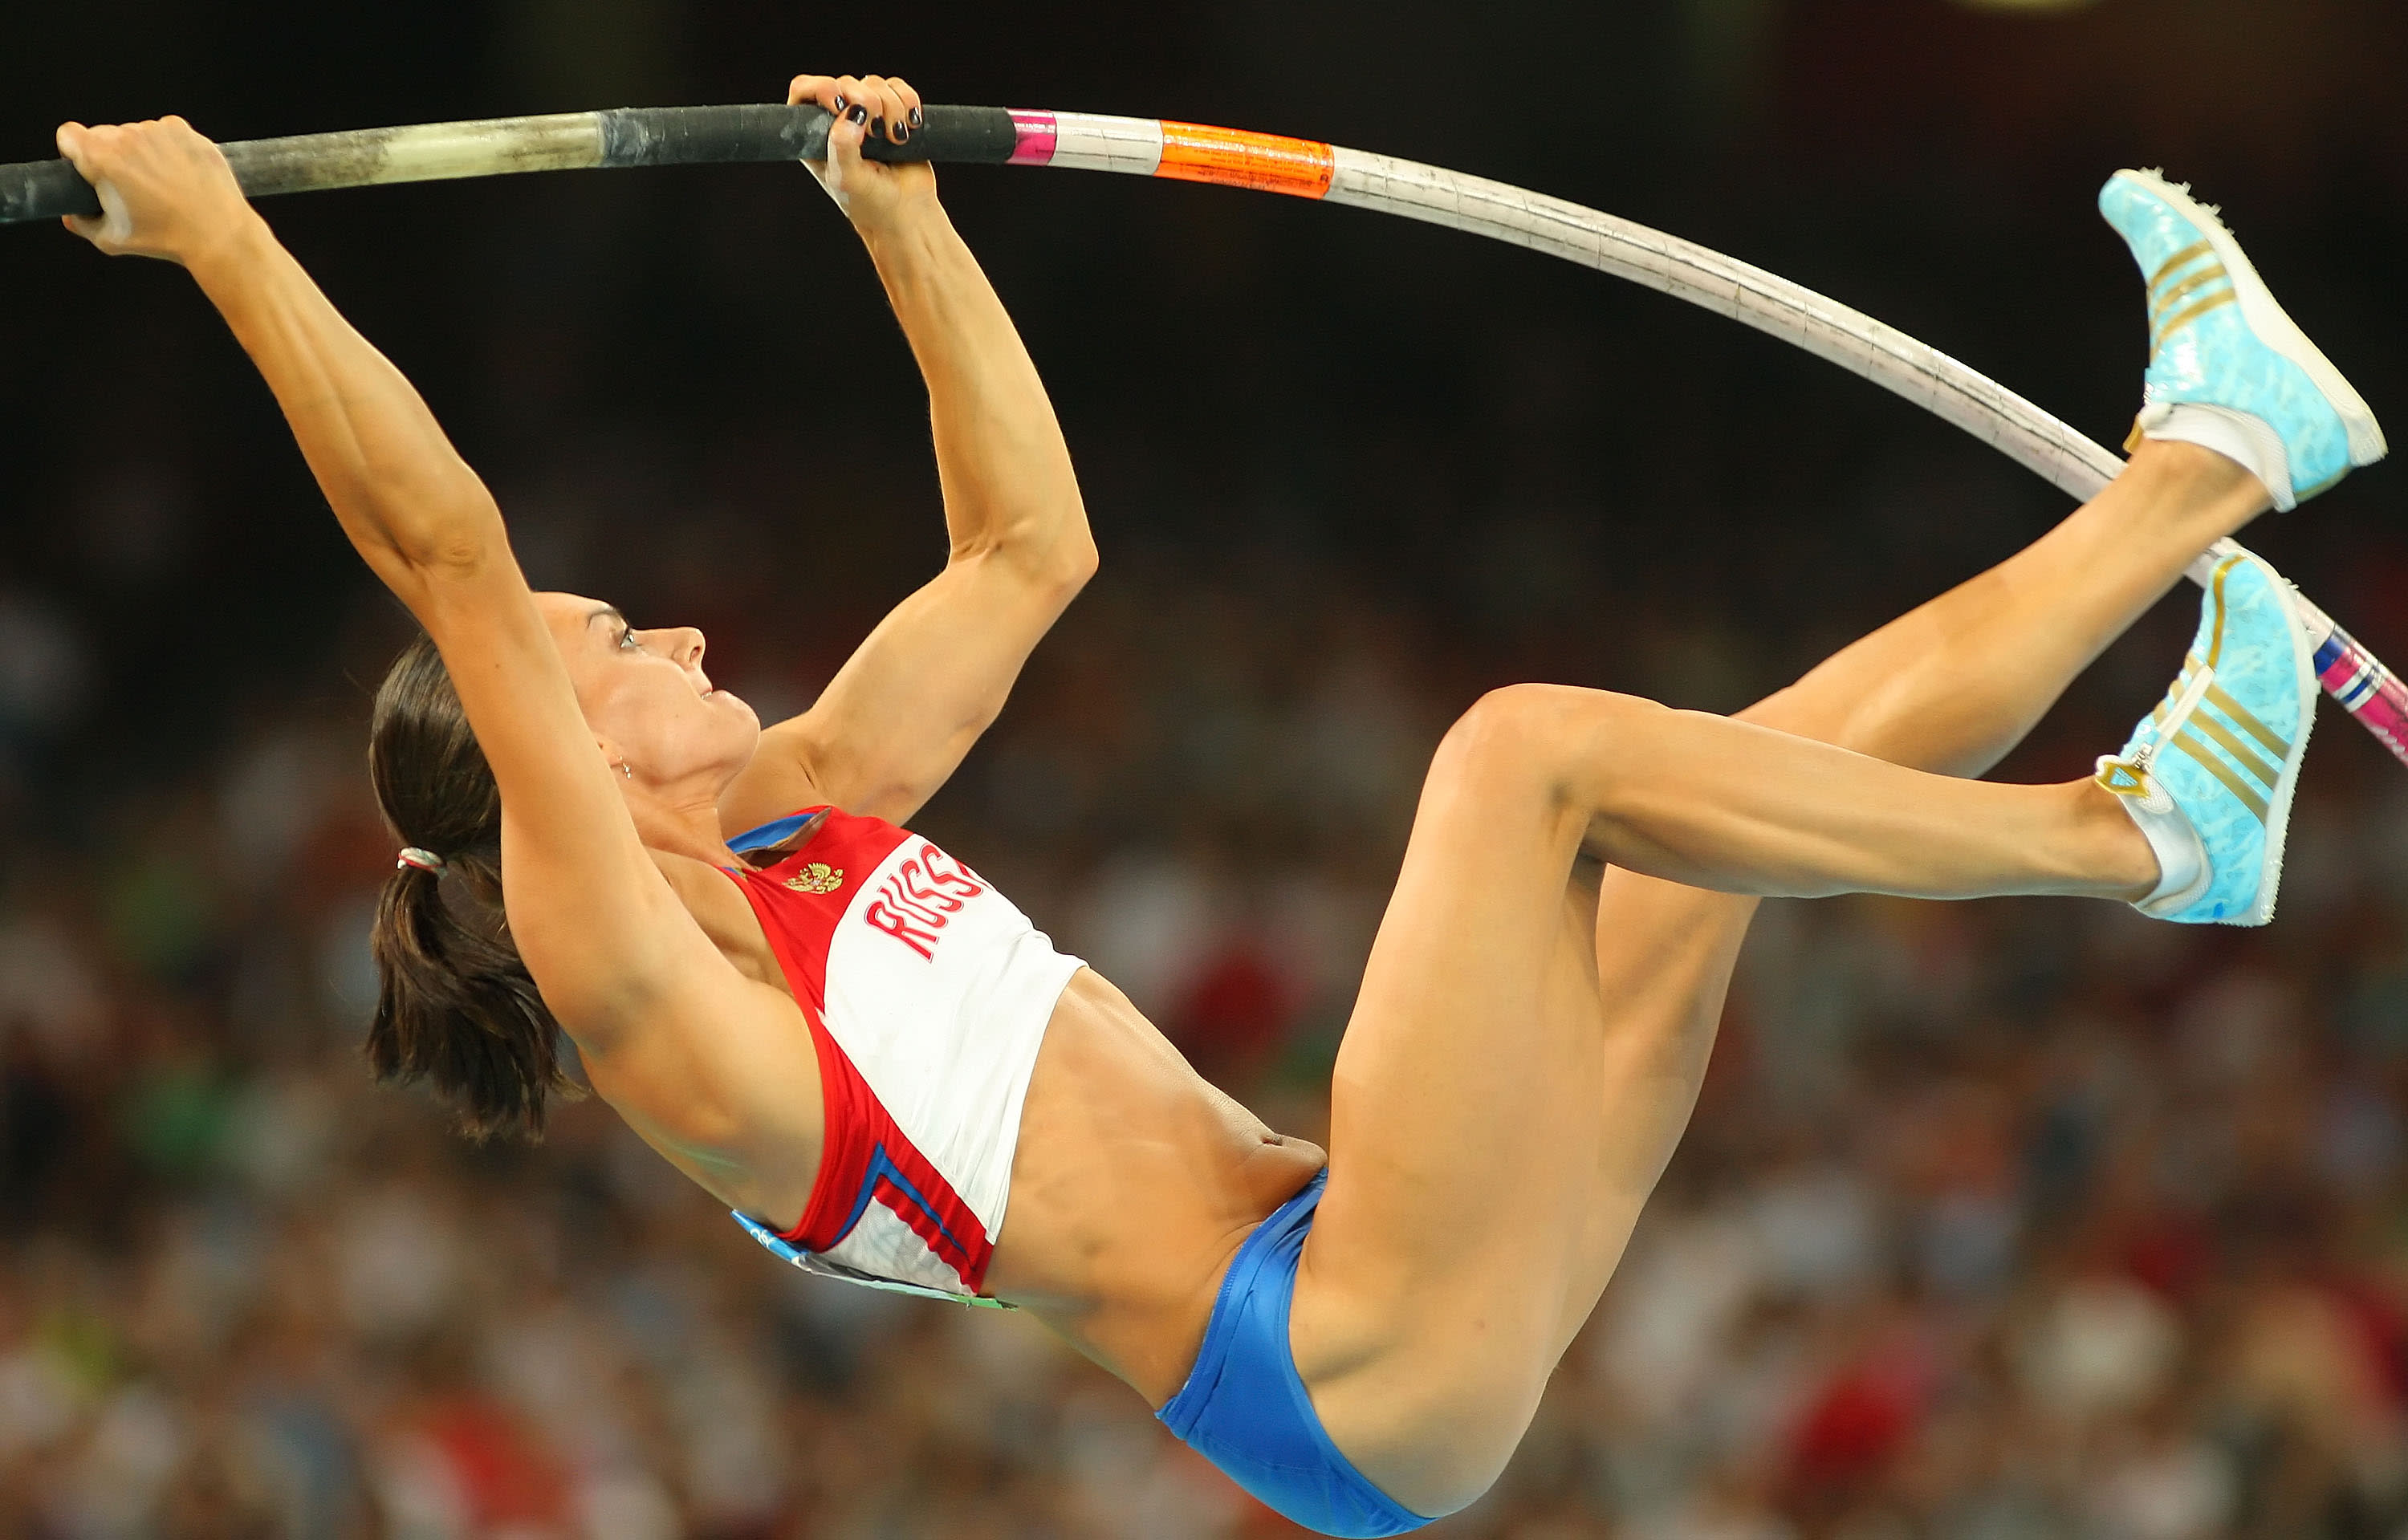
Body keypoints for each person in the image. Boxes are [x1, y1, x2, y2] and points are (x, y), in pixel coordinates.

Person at [54, 71, 2386, 1535]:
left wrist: (905, 232)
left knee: (1726, 795)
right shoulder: (658, 995)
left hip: (1376, 1268)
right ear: (541, 780)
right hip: (1346, 1358)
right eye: (609, 653)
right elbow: (448, 555)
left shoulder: (797, 820)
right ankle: (2136, 837)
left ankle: (2210, 459)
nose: (660, 637)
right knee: (1525, 758)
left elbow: (1026, 553)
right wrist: (234, 248)